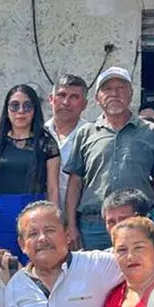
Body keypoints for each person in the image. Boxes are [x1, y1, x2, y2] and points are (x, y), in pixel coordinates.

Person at [64, 67, 154, 250]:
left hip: (139, 222)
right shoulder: (86, 133)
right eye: (107, 89)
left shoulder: (150, 132)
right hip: (94, 226)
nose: (114, 94)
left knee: (140, 275)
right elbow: (75, 183)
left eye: (120, 88)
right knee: (96, 277)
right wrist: (71, 226)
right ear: (97, 98)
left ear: (131, 94)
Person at [0, 84, 62, 260]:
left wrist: (55, 220)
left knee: (37, 263)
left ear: (35, 110)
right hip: (3, 215)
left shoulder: (46, 144)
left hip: (37, 210)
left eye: (27, 106)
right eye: (14, 106)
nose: (21, 111)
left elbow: (54, 188)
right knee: (2, 264)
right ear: (7, 110)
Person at [102, 189, 154, 267]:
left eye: (124, 220)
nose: (117, 227)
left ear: (144, 219)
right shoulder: (102, 262)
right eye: (111, 222)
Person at [46, 75, 88, 208]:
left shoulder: (91, 136)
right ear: (51, 99)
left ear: (84, 104)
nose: (66, 102)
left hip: (79, 218)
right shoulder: (38, 135)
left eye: (74, 97)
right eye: (61, 95)